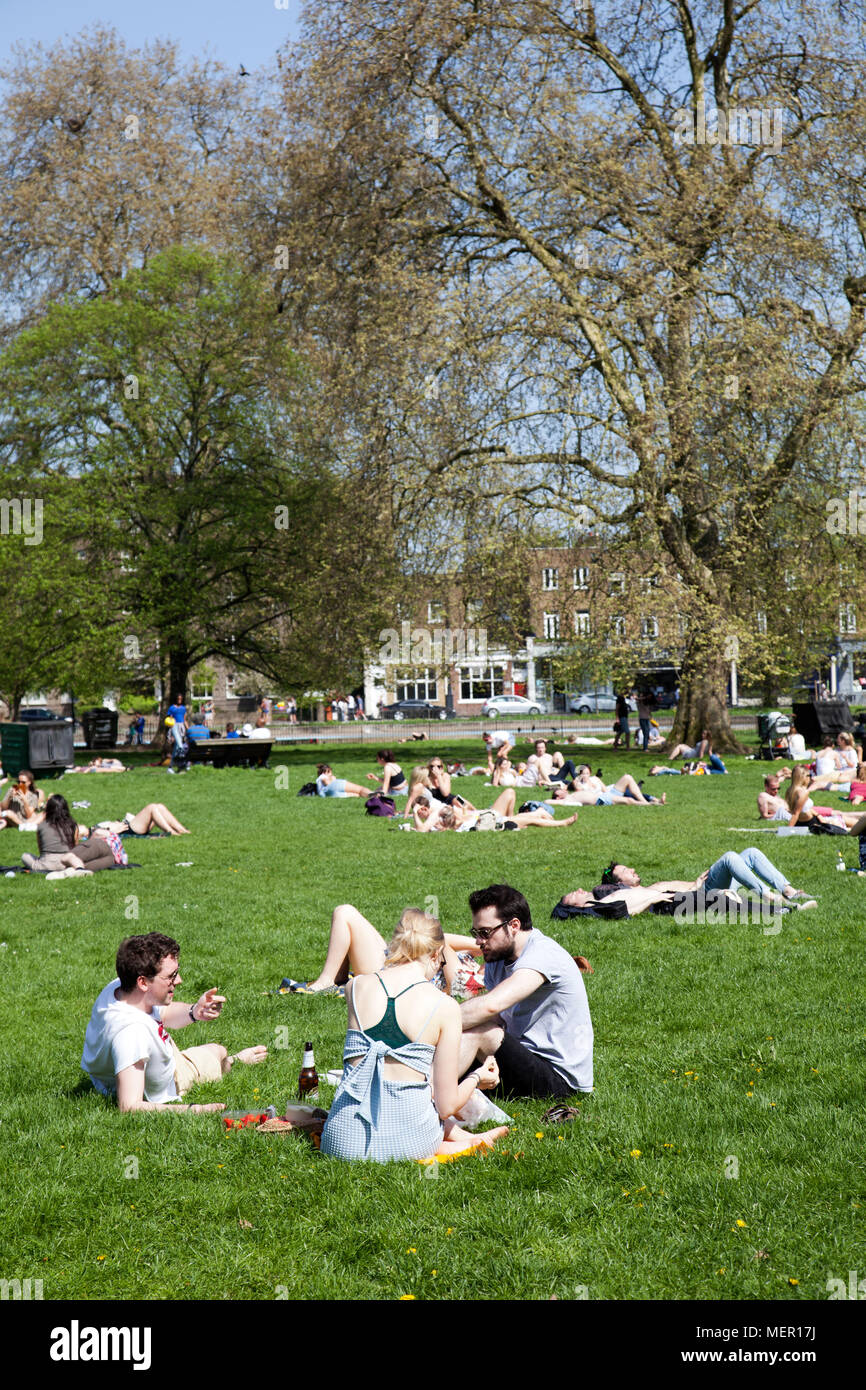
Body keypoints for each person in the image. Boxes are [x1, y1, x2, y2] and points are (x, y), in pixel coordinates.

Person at [320, 909, 507, 1162]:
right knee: (423, 1109)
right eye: (442, 963)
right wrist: (477, 1076)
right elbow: (446, 1105)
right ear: (435, 955)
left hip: (342, 1140)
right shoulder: (444, 1006)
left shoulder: (355, 987)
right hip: (411, 1142)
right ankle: (468, 1143)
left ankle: (465, 1142)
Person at [81, 932, 267, 1112]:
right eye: (171, 976)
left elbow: (163, 1012)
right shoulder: (131, 1034)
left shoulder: (121, 989)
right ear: (143, 982)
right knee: (218, 1051)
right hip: (175, 1075)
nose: (179, 981)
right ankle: (236, 1060)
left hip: (155, 1058)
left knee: (211, 1050)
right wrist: (196, 1109)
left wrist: (195, 1011)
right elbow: (129, 1106)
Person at [456, 883, 593, 1099]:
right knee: (472, 1028)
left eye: (485, 932)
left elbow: (491, 1005)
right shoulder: (497, 957)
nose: (478, 941)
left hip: (558, 1078)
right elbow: (494, 1016)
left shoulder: (543, 954)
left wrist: (433, 1024)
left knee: (480, 1033)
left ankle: (430, 1100)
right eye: (476, 933)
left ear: (514, 925)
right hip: (522, 1056)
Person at [592, 852, 816, 910]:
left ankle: (790, 892)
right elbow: (677, 898)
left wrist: (694, 882)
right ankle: (768, 895)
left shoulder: (650, 886)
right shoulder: (645, 893)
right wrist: (696, 887)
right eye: (625, 871)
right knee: (729, 858)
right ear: (620, 883)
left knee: (751, 854)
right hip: (705, 894)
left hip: (703, 887)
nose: (631, 869)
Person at [412, 789, 580, 832]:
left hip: (481, 816)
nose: (421, 813)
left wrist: (466, 808)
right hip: (483, 821)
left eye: (421, 810)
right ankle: (562, 823)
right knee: (532, 819)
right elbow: (422, 829)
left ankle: (526, 817)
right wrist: (415, 815)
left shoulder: (437, 810)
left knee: (509, 793)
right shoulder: (435, 814)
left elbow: (422, 829)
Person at [783, 765, 861, 829]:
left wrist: (818, 815)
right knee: (847, 821)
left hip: (806, 821)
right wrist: (788, 830)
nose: (810, 778)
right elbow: (796, 813)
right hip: (812, 823)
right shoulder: (803, 792)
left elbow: (802, 810)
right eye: (809, 775)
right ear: (803, 777)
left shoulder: (790, 790)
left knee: (844, 819)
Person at [546, 766, 665, 806]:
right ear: (557, 797)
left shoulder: (594, 779)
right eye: (558, 791)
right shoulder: (567, 799)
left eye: (587, 772)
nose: (561, 790)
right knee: (628, 800)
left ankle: (647, 801)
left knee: (627, 777)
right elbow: (547, 801)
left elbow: (603, 789)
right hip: (601, 799)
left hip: (607, 793)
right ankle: (650, 804)